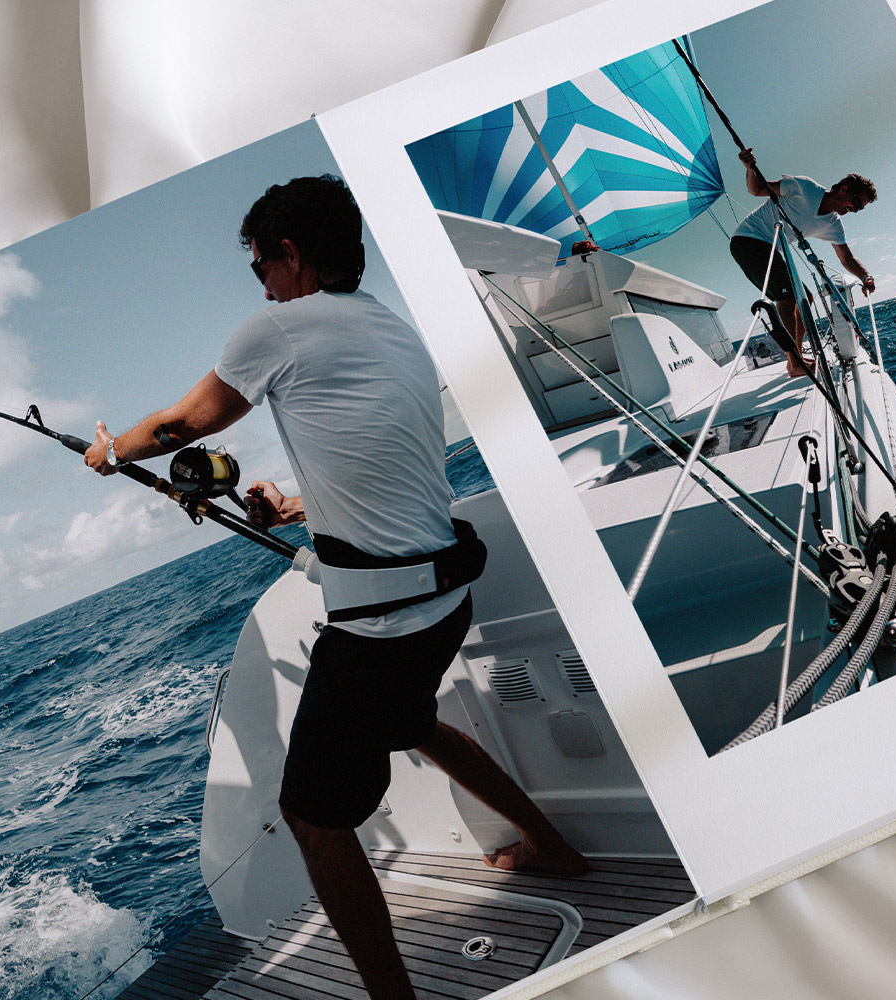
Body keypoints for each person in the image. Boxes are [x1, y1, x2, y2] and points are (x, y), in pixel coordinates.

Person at [83, 175, 587, 1000]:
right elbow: (382, 465)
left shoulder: (278, 328)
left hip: (382, 625)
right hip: (441, 603)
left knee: (315, 819)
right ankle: (553, 849)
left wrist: (110, 451)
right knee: (414, 722)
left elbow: (182, 425)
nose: (263, 287)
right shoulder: (390, 331)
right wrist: (287, 506)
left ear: (289, 254)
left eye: (261, 268)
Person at [726, 147, 877, 378]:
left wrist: (865, 276)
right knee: (786, 297)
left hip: (769, 246)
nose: (856, 209)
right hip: (748, 240)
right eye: (856, 202)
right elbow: (757, 189)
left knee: (805, 298)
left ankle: (794, 357)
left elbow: (846, 258)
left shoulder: (833, 225)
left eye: (861, 208)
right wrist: (749, 168)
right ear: (844, 187)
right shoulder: (805, 188)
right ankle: (794, 362)